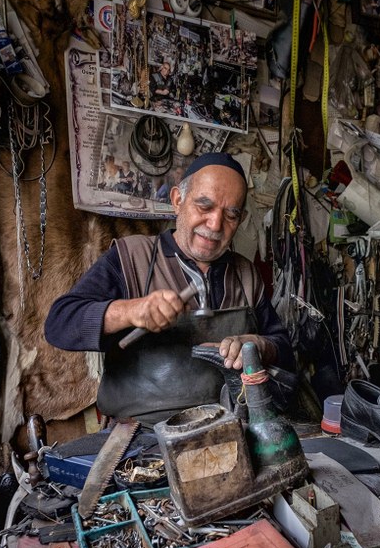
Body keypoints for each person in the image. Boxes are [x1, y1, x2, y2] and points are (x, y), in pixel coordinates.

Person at [45, 152, 293, 423]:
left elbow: (284, 348)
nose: (215, 225)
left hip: (231, 425)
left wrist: (258, 345)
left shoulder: (245, 273)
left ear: (241, 219)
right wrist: (131, 311)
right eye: (204, 206)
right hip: (144, 435)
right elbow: (59, 324)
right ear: (177, 200)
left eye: (231, 214)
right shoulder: (132, 257)